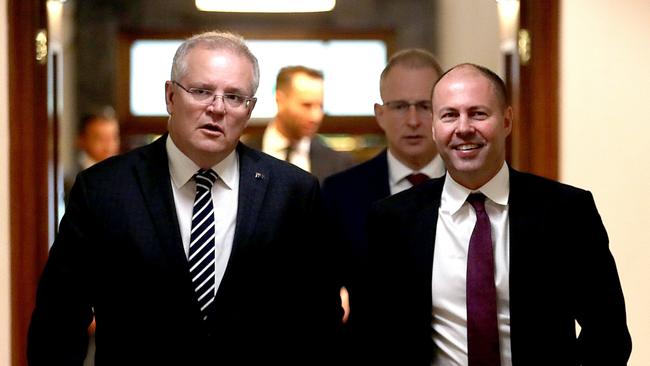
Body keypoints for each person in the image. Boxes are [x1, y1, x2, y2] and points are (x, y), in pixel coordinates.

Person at [28, 31, 341, 365]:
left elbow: (320, 321)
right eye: (201, 91)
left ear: (250, 110)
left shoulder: (293, 192)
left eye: (234, 97)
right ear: (170, 96)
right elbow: (58, 321)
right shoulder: (104, 190)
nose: (217, 108)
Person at [356, 63, 632, 365]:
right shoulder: (392, 220)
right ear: (435, 127)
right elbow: (373, 335)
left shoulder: (566, 211)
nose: (463, 128)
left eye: (478, 113)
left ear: (507, 121)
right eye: (449, 115)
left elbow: (609, 333)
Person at [322, 49, 445, 323]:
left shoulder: (470, 185)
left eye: (425, 106)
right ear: (380, 114)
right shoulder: (341, 193)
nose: (413, 121)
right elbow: (320, 294)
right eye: (400, 106)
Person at [259, 65, 353, 182]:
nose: (316, 117)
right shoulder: (241, 154)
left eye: (320, 106)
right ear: (280, 100)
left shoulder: (339, 164)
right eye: (306, 105)